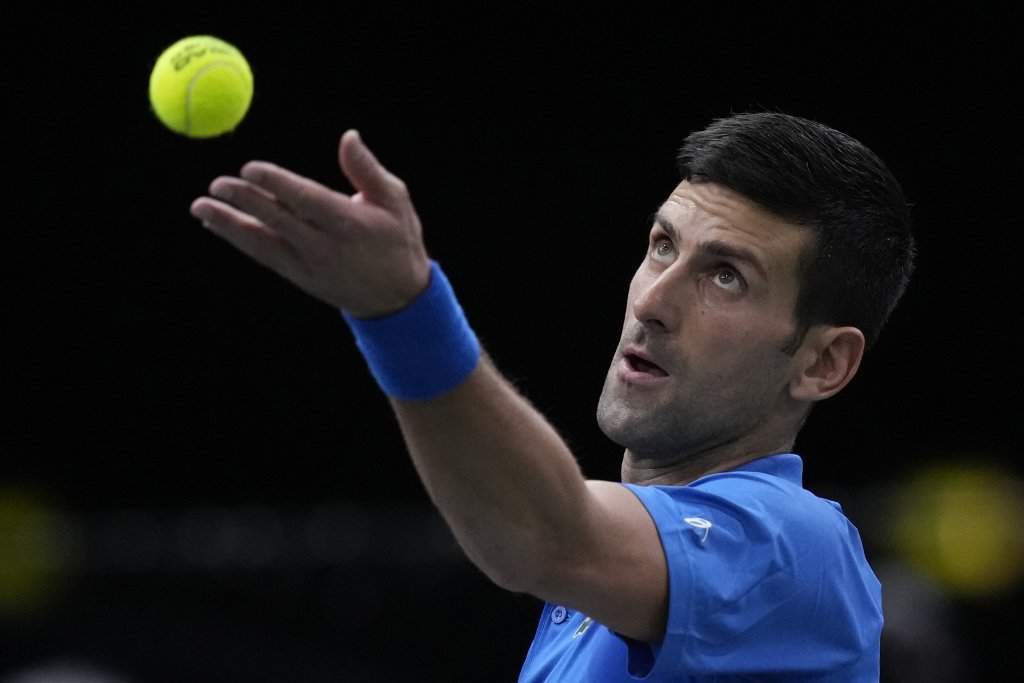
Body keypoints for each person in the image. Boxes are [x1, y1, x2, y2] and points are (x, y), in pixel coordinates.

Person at [190, 110, 916, 681]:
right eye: (662, 245)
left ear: (823, 363)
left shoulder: (799, 550)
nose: (652, 301)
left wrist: (403, 311)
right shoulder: (602, 599)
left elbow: (544, 535)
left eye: (726, 276)